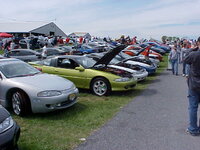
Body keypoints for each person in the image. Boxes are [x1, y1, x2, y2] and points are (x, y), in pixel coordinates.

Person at [184, 37, 200, 136]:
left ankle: (193, 129)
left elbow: (185, 59)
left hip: (194, 84)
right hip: (194, 83)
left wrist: (191, 49)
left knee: (193, 107)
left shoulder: (194, 54)